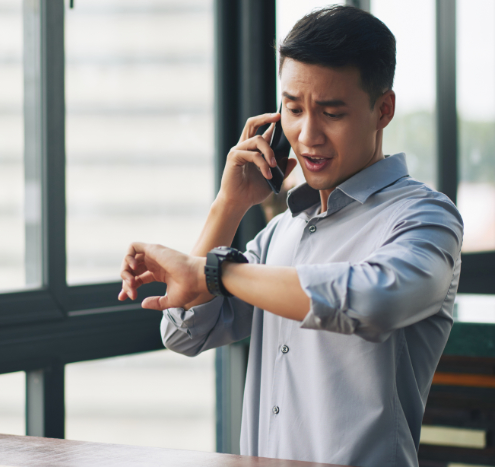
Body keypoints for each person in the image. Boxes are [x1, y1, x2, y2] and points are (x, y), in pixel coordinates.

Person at [118, 5, 463, 467]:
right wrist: (229, 205)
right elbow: (184, 333)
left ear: (383, 110)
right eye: (294, 109)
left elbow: (375, 299)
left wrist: (219, 271)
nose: (307, 134)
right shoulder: (281, 231)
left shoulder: (425, 218)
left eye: (331, 112)